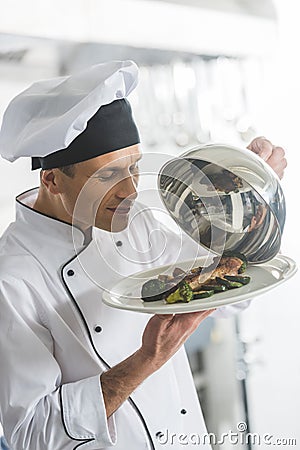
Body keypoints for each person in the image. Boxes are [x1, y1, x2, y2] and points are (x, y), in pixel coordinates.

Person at [0, 60, 287, 450]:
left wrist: (250, 196)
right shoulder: (12, 279)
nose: (131, 190)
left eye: (134, 167)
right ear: (51, 179)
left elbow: (227, 293)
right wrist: (147, 360)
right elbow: (32, 436)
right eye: (106, 176)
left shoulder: (136, 224)